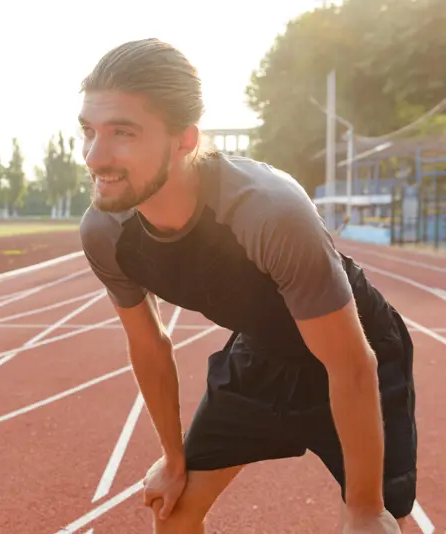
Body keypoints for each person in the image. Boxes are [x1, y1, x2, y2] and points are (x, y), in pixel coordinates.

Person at [78, 38, 416, 534]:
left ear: (185, 139)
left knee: (377, 524)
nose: (94, 156)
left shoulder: (268, 212)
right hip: (262, 354)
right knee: (172, 511)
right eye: (88, 131)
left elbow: (351, 364)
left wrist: (366, 507)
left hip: (357, 350)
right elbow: (149, 345)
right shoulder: (106, 232)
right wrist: (173, 458)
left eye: (123, 133)